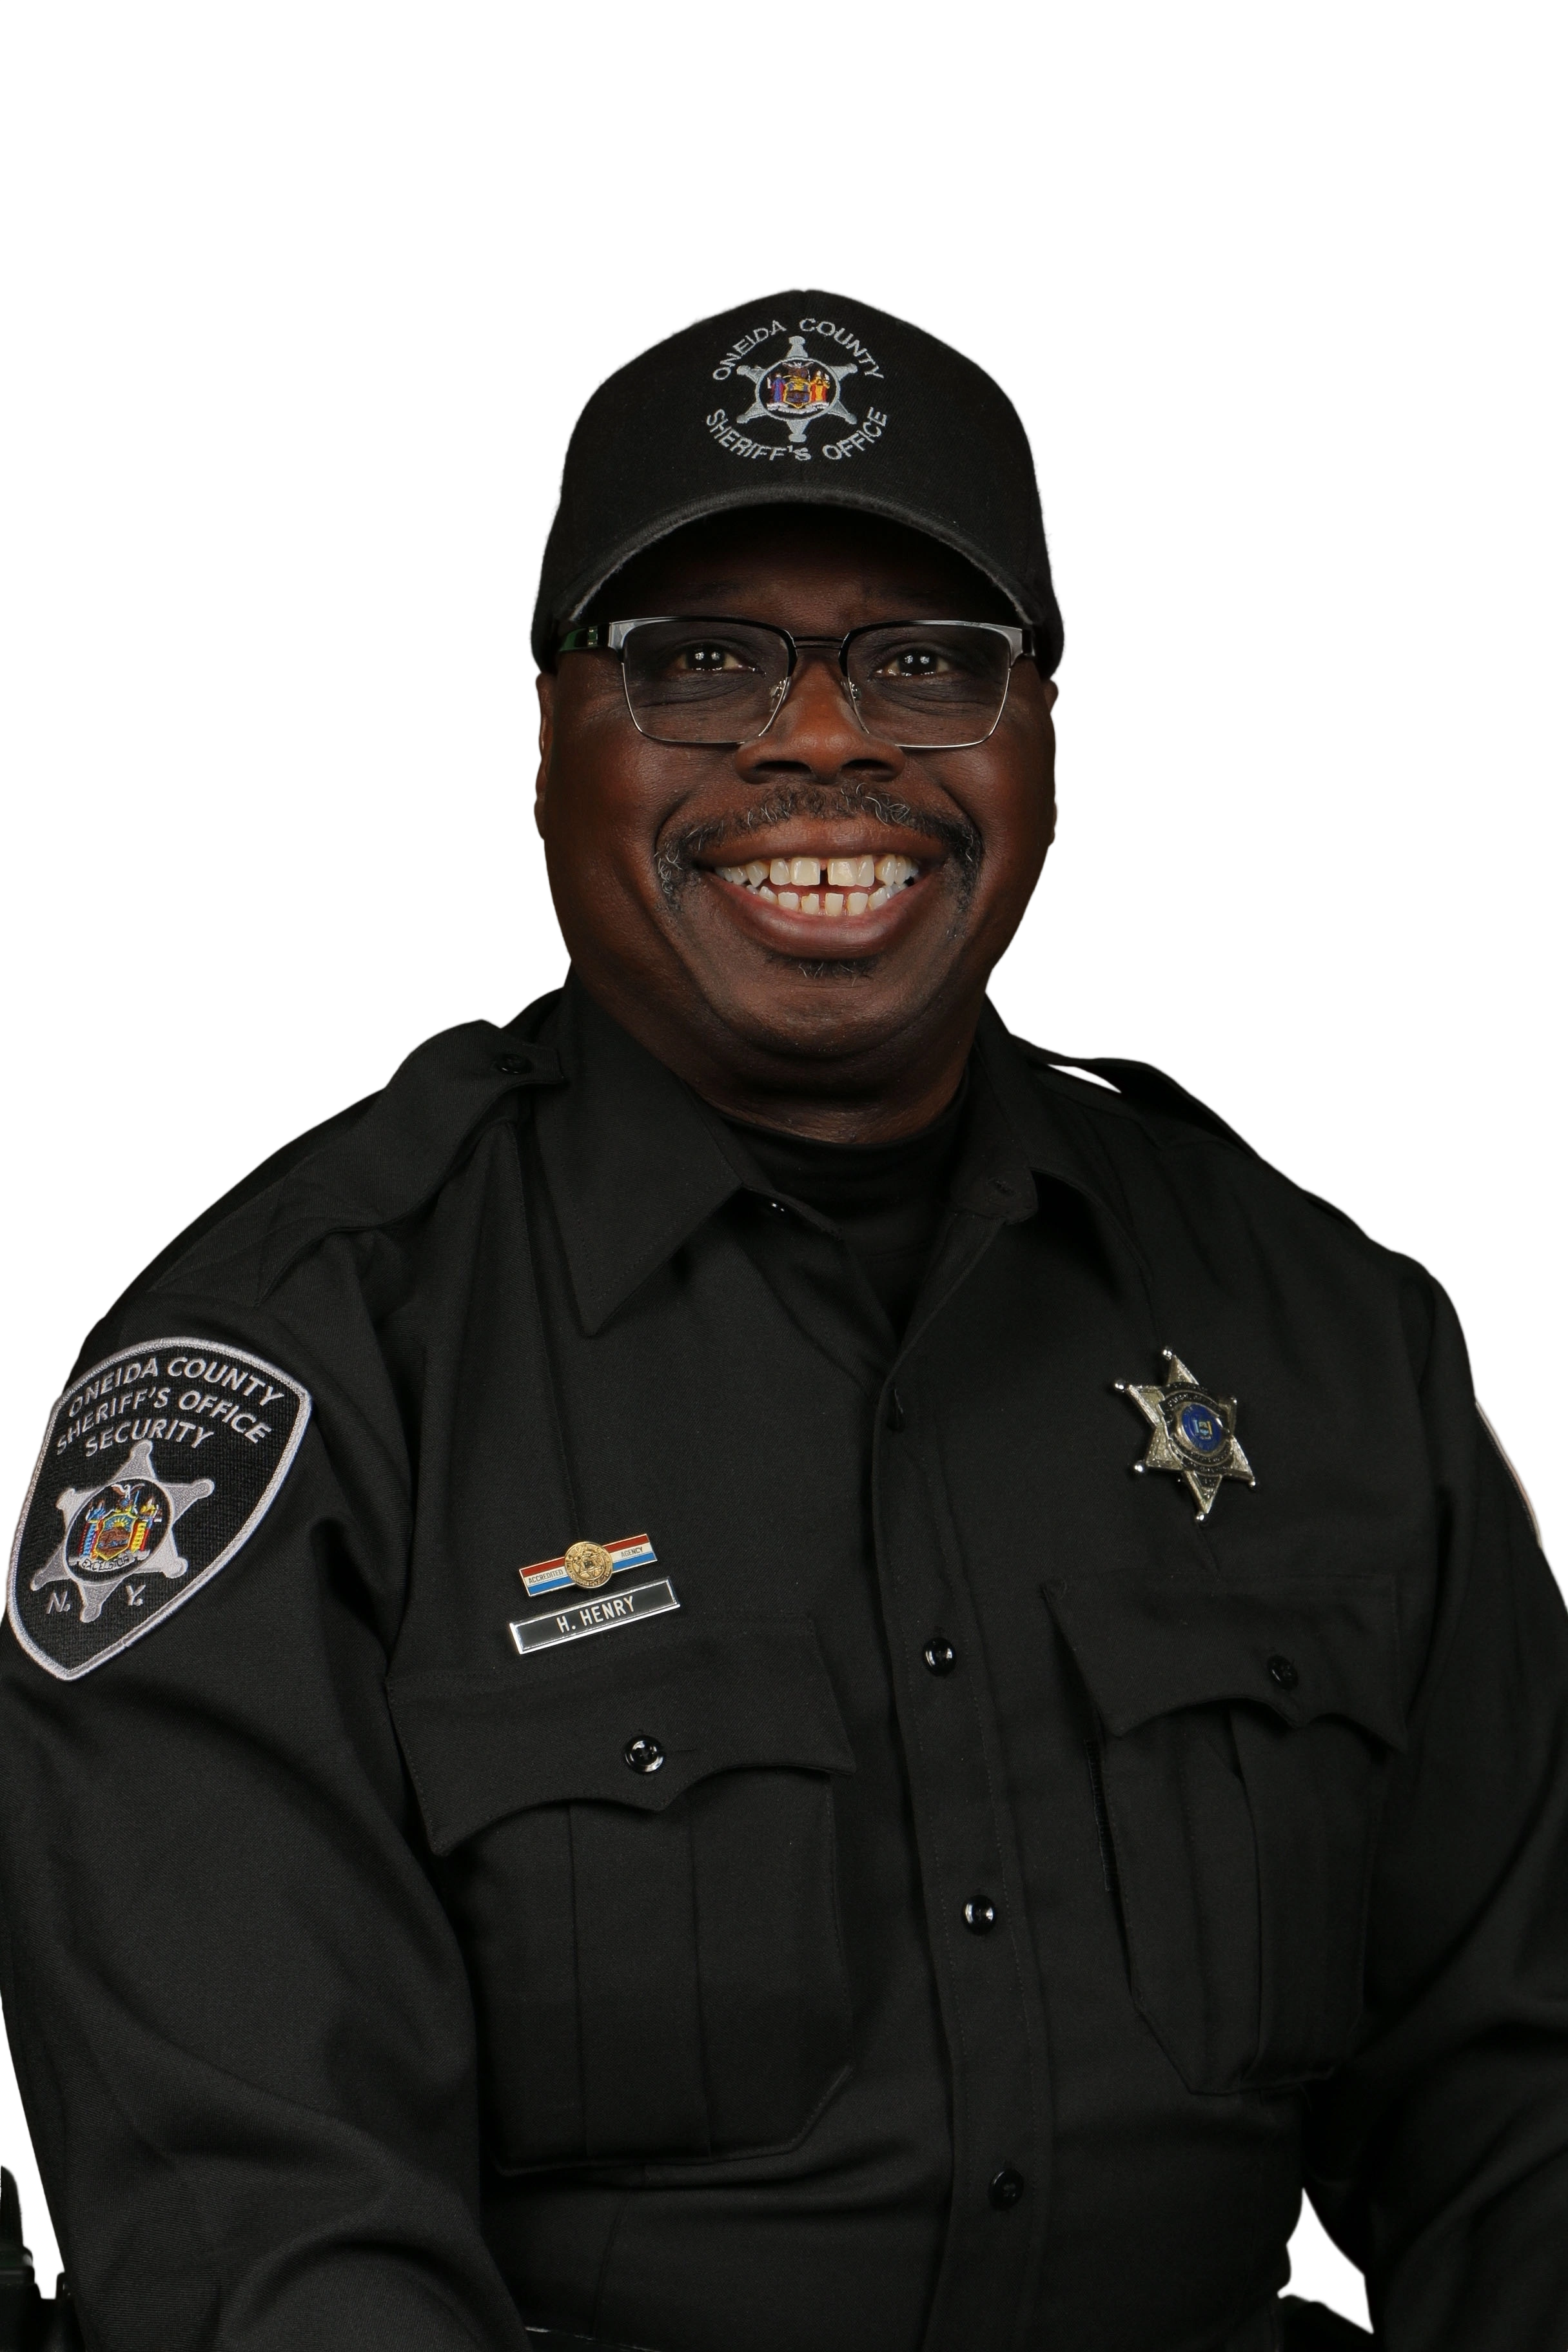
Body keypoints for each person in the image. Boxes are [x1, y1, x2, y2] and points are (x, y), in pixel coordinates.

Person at [1, 288, 1565, 2352]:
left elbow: (1522, 2119)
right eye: (700, 661)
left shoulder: (1328, 1325)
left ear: (1045, 726)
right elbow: (266, 2244)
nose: (823, 738)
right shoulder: (289, 1381)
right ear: (548, 728)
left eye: (927, 661)